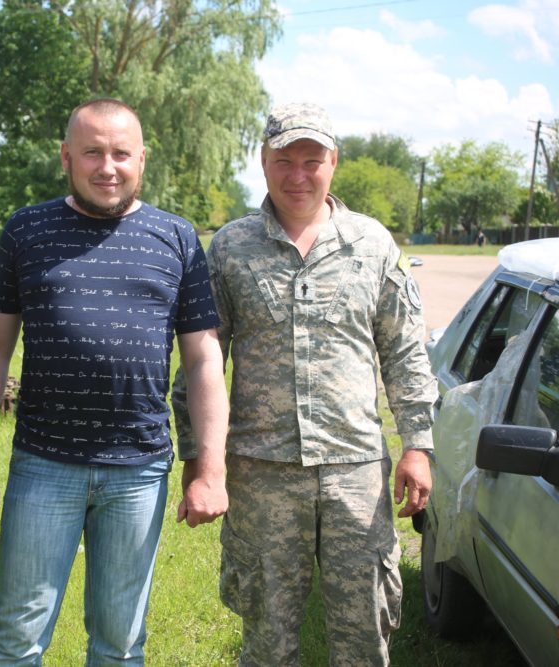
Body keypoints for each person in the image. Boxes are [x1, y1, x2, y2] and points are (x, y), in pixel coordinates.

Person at [171, 102, 438, 666]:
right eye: (283, 160)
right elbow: (200, 360)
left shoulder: (371, 245)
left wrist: (417, 443)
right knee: (267, 634)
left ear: (333, 162)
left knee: (365, 626)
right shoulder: (230, 248)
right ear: (263, 163)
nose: (298, 175)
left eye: (311, 160)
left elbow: (405, 350)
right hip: (261, 471)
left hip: (354, 470)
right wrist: (197, 459)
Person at [0, 98, 230, 666]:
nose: (106, 167)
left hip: (138, 470)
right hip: (44, 464)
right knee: (16, 635)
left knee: (120, 642)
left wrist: (209, 469)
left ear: (142, 159)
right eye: (92, 152)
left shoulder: (177, 238)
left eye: (120, 154)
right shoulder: (26, 230)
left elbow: (205, 359)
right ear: (67, 157)